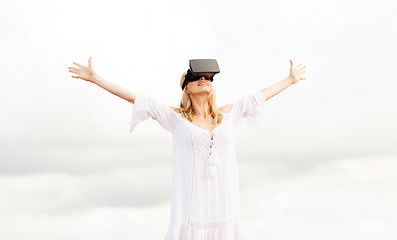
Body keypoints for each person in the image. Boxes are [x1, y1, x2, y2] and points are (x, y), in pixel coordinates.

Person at [68, 57, 307, 240]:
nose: (203, 79)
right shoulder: (176, 119)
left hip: (225, 208)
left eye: (208, 77)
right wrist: (94, 77)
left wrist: (291, 79)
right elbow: (135, 98)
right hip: (192, 212)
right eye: (196, 77)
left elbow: (260, 96)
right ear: (187, 86)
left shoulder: (228, 115)